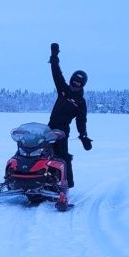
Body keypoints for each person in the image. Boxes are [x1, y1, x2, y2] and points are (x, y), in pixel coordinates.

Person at [47, 43, 92, 189]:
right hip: (49, 127)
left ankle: (67, 183)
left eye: (79, 82)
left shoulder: (80, 102)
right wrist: (54, 57)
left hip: (62, 130)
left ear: (82, 85)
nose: (76, 83)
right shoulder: (63, 89)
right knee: (39, 150)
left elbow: (81, 120)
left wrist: (83, 136)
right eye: (74, 80)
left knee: (62, 155)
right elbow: (56, 73)